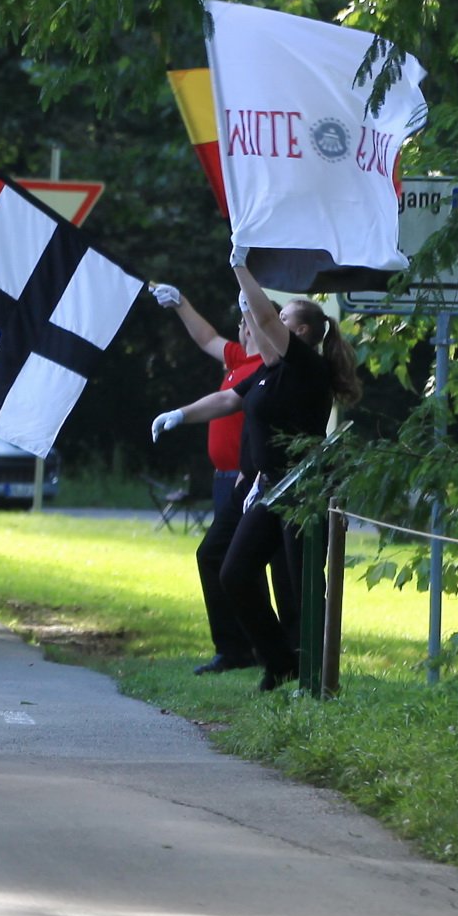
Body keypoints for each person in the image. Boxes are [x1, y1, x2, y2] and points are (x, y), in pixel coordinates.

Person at [150, 248, 362, 690]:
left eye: (283, 319)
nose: (271, 323)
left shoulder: (306, 366)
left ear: (300, 332)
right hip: (270, 489)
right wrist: (180, 414)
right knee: (234, 572)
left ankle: (316, 674)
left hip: (302, 489)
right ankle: (279, 661)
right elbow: (228, 398)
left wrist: (240, 267)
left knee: (300, 584)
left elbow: (263, 319)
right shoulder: (269, 371)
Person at [147, 282, 274, 676]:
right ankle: (246, 646)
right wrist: (181, 303)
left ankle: (247, 647)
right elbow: (206, 338)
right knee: (233, 563)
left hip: (245, 479)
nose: (242, 327)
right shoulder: (238, 359)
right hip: (225, 478)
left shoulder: (267, 364)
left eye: (246, 321)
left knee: (233, 561)